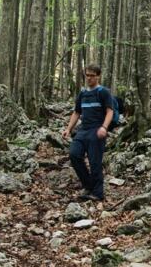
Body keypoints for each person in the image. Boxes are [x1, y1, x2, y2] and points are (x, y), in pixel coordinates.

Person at [62, 64, 113, 201]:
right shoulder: (83, 94)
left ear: (98, 76)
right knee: (74, 154)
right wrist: (68, 129)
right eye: (87, 75)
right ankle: (88, 185)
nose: (89, 78)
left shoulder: (103, 92)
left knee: (95, 162)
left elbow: (110, 111)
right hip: (83, 130)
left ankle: (97, 193)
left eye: (92, 75)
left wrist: (104, 127)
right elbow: (77, 112)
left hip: (97, 130)